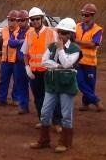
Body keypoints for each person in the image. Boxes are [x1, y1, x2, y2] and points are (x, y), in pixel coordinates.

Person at [30, 18, 80, 153]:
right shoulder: (51, 46)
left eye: (63, 33)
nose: (60, 35)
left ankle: (65, 142)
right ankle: (44, 140)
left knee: (66, 114)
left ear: (69, 34)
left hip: (66, 85)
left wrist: (61, 50)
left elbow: (67, 64)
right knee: (45, 112)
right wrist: (57, 65)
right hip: (52, 84)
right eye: (59, 32)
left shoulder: (75, 49)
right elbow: (44, 62)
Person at [21, 7, 61, 130]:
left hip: (48, 72)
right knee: (38, 97)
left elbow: (58, 51)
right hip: (34, 72)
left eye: (37, 19)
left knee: (52, 96)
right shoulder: (29, 34)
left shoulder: (51, 32)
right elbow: (25, 53)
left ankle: (57, 122)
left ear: (42, 19)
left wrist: (55, 66)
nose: (35, 21)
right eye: (32, 19)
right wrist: (27, 67)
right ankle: (43, 120)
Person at [74, 3, 104, 112]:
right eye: (82, 14)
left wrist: (77, 42)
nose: (83, 17)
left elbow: (93, 44)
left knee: (90, 85)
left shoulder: (98, 29)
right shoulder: (77, 26)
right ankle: (96, 101)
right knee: (80, 82)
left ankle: (85, 104)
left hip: (90, 62)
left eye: (86, 15)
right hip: (77, 61)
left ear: (92, 15)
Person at [0, 10, 19, 107]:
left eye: (13, 20)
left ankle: (15, 99)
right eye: (9, 20)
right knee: (3, 80)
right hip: (5, 60)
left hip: (16, 60)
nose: (11, 22)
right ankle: (1, 99)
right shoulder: (3, 30)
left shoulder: (20, 31)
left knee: (17, 81)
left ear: (17, 21)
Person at [9, 10, 31, 114]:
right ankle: (24, 106)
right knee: (21, 85)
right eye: (19, 21)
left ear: (27, 20)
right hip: (19, 63)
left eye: (22, 20)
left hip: (30, 63)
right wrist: (20, 41)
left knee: (36, 87)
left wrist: (19, 42)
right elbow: (10, 42)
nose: (20, 23)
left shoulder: (31, 31)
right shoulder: (17, 32)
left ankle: (42, 107)